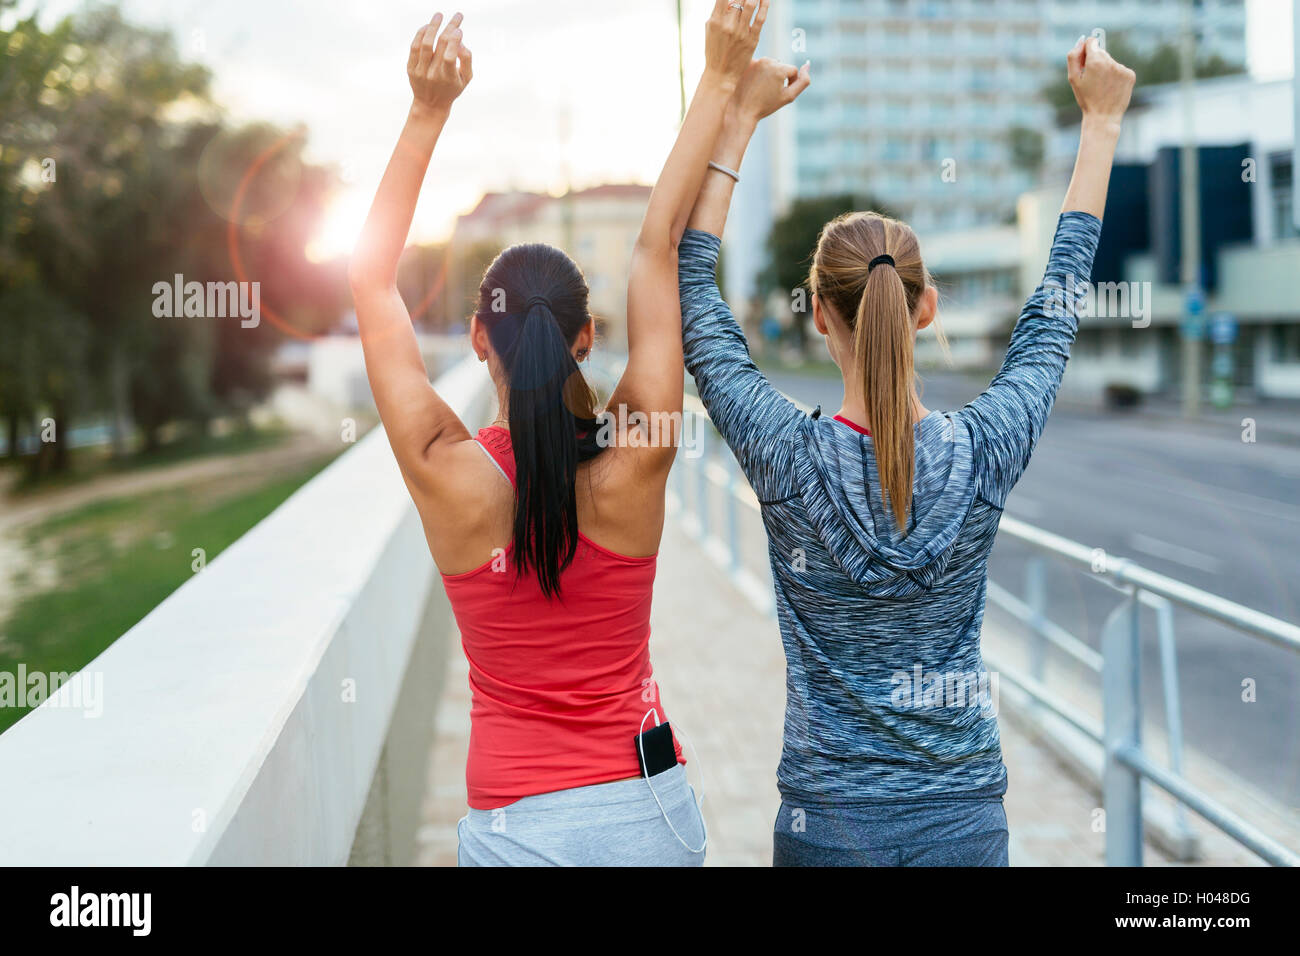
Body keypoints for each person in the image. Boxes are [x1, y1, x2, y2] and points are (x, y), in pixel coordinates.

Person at [677, 36, 1135, 865]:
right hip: (961, 820)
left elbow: (696, 302)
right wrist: (1100, 124)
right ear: (924, 309)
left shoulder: (787, 457)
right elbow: (1055, 311)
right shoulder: (984, 450)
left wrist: (737, 118)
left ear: (819, 315)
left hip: (829, 823)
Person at [346, 5, 767, 866]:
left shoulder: (445, 473)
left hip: (515, 833)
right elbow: (659, 251)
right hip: (650, 817)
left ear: (475, 339)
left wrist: (429, 110)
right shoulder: (637, 455)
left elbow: (369, 279)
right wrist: (721, 79)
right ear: (588, 337)